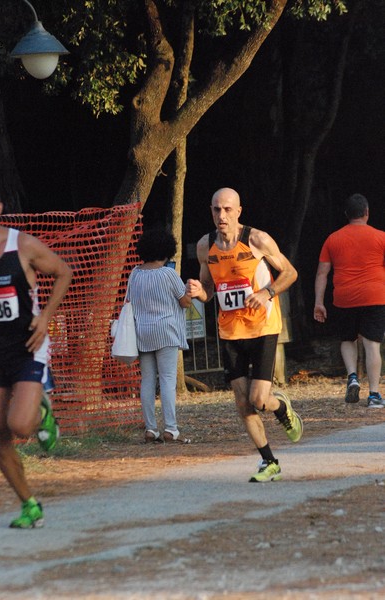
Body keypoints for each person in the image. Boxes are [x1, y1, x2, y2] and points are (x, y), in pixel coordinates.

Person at [186, 187, 302, 482]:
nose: (221, 215)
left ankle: (281, 407)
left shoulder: (256, 240)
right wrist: (201, 292)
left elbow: (290, 273)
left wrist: (266, 292)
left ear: (239, 211)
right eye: (216, 210)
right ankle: (269, 461)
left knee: (259, 399)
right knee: (242, 401)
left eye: (227, 209)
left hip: (262, 326)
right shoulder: (205, 246)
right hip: (230, 331)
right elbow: (209, 290)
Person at [0, 181, 72, 528]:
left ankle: (42, 413)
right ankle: (29, 505)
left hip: (26, 346)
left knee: (19, 424)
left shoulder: (21, 244)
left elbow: (64, 271)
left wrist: (46, 316)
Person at [314, 193, 385, 407]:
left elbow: (322, 274)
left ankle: (352, 376)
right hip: (375, 295)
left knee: (347, 339)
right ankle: (373, 395)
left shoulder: (333, 239)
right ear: (367, 213)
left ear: (346, 214)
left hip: (344, 297)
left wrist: (319, 302)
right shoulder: (381, 237)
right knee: (372, 345)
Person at [128, 227, 192, 443]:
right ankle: (171, 428)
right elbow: (184, 301)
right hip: (166, 331)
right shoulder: (169, 274)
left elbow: (130, 302)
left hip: (142, 332)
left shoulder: (134, 274)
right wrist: (189, 291)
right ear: (166, 250)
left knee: (146, 380)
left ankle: (150, 428)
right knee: (167, 380)